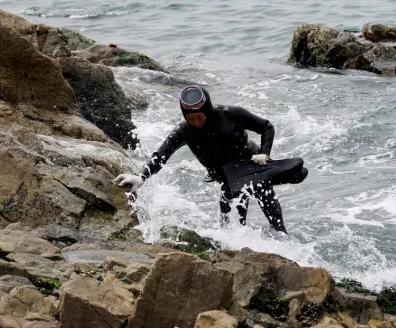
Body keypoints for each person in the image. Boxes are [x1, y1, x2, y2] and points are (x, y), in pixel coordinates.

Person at [112, 86, 307, 232]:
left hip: (251, 166)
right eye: (191, 119)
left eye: (199, 117)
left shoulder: (231, 114)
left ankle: (281, 234)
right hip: (224, 177)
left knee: (265, 194)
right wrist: (141, 177)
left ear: (208, 110)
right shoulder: (184, 131)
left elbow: (266, 127)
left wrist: (265, 153)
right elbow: (161, 155)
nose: (196, 123)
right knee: (230, 224)